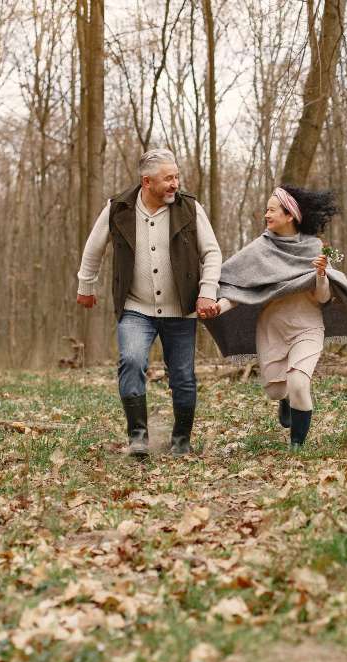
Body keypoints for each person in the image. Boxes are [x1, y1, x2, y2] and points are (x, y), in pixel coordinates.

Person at [201, 186, 347, 449]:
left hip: (307, 327)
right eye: (266, 210)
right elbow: (241, 288)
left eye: (272, 210)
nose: (266, 215)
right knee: (276, 390)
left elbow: (324, 298)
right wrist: (218, 307)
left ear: (289, 215)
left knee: (298, 383)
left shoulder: (314, 248)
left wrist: (320, 275)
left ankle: (297, 446)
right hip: (272, 330)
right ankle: (285, 401)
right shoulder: (260, 249)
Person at [76, 148, 222, 457]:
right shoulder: (119, 208)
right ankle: (138, 438)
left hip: (181, 309)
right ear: (147, 181)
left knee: (182, 376)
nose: (174, 184)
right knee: (131, 361)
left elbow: (212, 253)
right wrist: (86, 286)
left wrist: (207, 290)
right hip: (136, 307)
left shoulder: (190, 208)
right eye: (168, 178)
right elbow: (93, 249)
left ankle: (181, 440)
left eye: (176, 177)